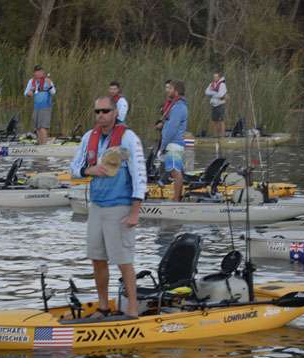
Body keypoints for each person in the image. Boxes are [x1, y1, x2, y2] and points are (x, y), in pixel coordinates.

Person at [70, 96, 146, 319]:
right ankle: (103, 307)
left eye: (105, 111)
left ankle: (132, 308)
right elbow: (74, 167)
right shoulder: (89, 137)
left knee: (123, 260)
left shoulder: (128, 138)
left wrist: (135, 212)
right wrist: (88, 171)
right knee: (97, 259)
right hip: (97, 206)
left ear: (115, 113)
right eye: (97, 112)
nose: (101, 115)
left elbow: (140, 175)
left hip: (120, 206)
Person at [160, 80, 187, 201]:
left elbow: (171, 129)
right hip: (174, 144)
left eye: (170, 89)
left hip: (173, 144)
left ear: (176, 92)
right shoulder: (177, 106)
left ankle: (176, 200)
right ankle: (176, 198)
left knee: (175, 172)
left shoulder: (178, 107)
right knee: (174, 172)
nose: (168, 91)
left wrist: (163, 145)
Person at [24, 65, 56, 144]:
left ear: (43, 72)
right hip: (36, 107)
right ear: (34, 73)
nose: (39, 73)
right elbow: (26, 93)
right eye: (37, 72)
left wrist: (50, 85)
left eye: (40, 72)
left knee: (43, 127)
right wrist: (30, 93)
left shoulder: (48, 80)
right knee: (37, 128)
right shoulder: (31, 81)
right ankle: (40, 144)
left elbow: (53, 92)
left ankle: (44, 145)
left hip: (46, 107)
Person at [204, 71, 227, 137]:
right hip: (214, 105)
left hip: (220, 105)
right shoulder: (211, 84)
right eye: (214, 77)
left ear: (219, 77)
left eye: (216, 77)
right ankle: (215, 135)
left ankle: (222, 135)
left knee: (221, 120)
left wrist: (212, 93)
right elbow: (206, 92)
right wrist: (214, 93)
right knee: (214, 121)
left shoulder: (222, 84)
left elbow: (221, 94)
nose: (215, 78)